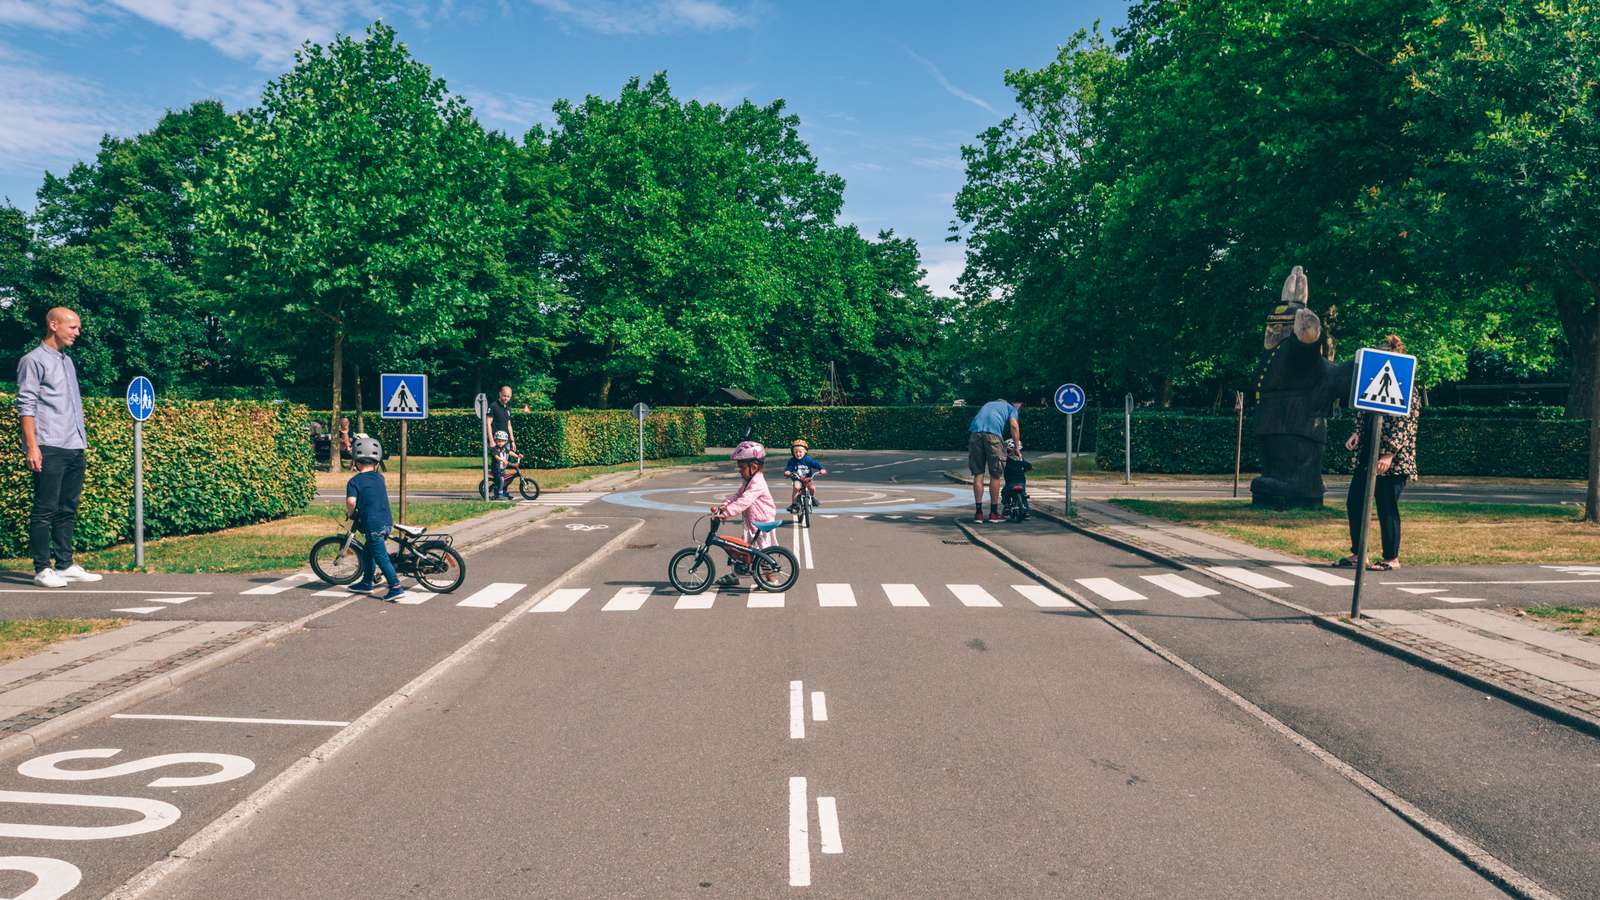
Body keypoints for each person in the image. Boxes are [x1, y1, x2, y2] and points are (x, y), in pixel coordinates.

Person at [16, 307, 100, 588]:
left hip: (74, 445)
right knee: (45, 509)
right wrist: (32, 446)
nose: (77, 332)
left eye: (77, 327)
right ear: (53, 325)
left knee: (67, 508)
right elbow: (26, 405)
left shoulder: (67, 361)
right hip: (49, 444)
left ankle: (64, 565)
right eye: (72, 327)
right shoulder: (33, 361)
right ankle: (42, 569)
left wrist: (80, 442)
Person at [1337, 335, 1420, 571]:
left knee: (1386, 506)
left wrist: (1389, 454)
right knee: (1355, 502)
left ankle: (1391, 558)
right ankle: (1358, 552)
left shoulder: (1407, 386)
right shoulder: (1371, 380)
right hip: (1368, 454)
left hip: (1393, 461)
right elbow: (1365, 412)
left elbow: (1406, 424)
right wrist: (1357, 434)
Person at [345, 433, 406, 602]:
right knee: (367, 553)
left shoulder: (354, 481)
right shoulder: (380, 477)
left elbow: (351, 502)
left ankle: (395, 587)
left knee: (380, 556)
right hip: (386, 522)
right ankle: (366, 583)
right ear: (376, 462)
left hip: (372, 525)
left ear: (356, 461)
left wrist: (350, 513)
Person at [710, 440, 777, 588]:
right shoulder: (749, 481)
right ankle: (736, 575)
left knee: (762, 552)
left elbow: (744, 501)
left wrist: (727, 512)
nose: (739, 470)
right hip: (752, 522)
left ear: (753, 467)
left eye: (741, 467)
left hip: (761, 522)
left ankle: (772, 580)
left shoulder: (757, 483)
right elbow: (737, 496)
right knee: (740, 550)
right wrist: (725, 505)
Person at [967, 398, 1021, 523]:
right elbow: (1014, 425)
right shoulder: (1010, 408)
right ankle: (993, 513)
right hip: (993, 436)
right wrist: (1016, 447)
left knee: (978, 474)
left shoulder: (987, 404)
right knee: (995, 474)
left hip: (975, 435)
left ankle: (979, 513)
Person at [485, 385, 515, 500]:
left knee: (504, 467)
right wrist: (491, 440)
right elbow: (488, 423)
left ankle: (503, 491)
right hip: (496, 442)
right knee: (497, 466)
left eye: (508, 396)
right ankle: (498, 492)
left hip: (506, 441)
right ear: (500, 394)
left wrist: (512, 441)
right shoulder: (493, 406)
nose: (506, 398)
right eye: (504, 395)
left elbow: (509, 425)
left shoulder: (508, 408)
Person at [783, 439, 828, 512]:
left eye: (800, 452)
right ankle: (794, 504)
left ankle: (812, 498)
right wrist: (787, 472)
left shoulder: (808, 459)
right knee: (796, 487)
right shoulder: (792, 461)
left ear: (805, 452)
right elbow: (789, 468)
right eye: (796, 452)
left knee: (812, 488)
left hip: (807, 478)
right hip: (797, 479)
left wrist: (821, 469)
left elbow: (816, 464)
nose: (798, 454)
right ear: (793, 453)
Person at [1001, 438, 1033, 520]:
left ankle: (1007, 505)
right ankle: (1026, 512)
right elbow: (1029, 466)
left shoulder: (1006, 460)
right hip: (1021, 482)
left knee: (1005, 493)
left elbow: (1002, 467)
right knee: (1024, 496)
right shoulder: (1021, 460)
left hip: (1010, 483)